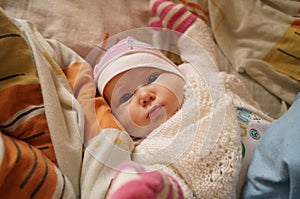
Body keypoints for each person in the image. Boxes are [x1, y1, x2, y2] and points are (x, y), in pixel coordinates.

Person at [93, 33, 271, 198]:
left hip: (277, 138)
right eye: (126, 97)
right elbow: (170, 178)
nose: (144, 95)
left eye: (152, 78)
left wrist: (184, 24)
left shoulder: (201, 79)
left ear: (177, 72)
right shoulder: (147, 150)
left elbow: (198, 46)